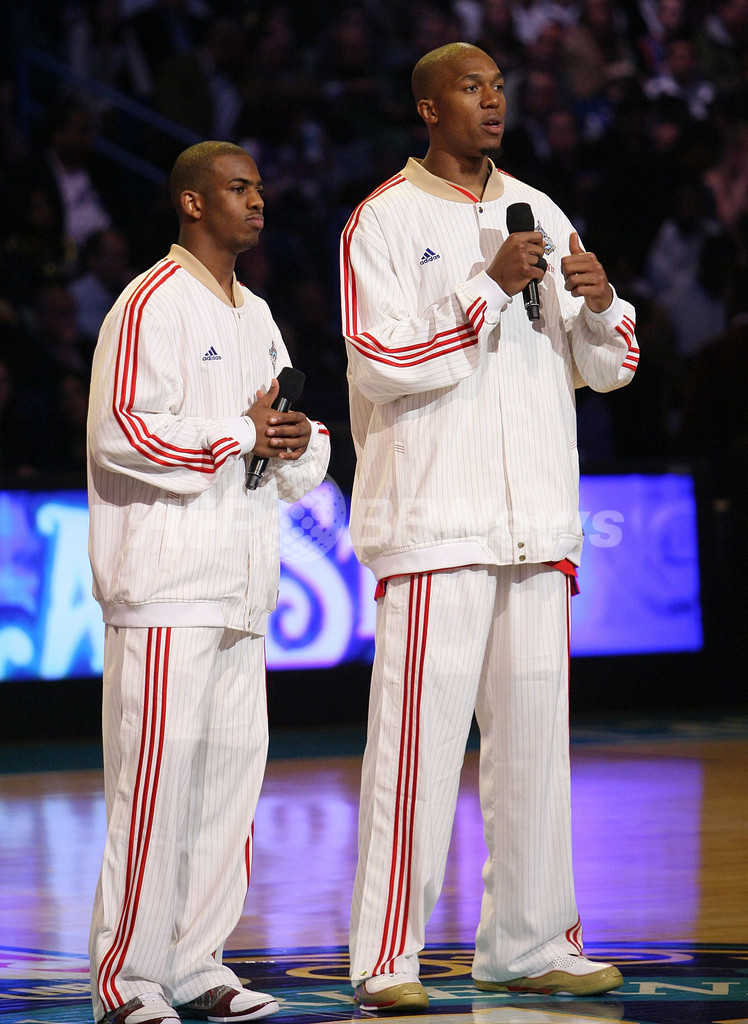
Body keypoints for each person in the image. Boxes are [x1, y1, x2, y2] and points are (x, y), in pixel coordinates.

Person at [340, 42, 638, 1012]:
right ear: (428, 107)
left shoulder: (540, 208)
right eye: (472, 89)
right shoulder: (383, 219)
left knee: (535, 753)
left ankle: (530, 939)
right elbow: (380, 359)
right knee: (415, 754)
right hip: (437, 523)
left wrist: (600, 304)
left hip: (535, 523)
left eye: (500, 89)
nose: (493, 102)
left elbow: (608, 367)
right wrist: (488, 288)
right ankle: (387, 955)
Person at [87, 140, 330, 1024]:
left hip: (241, 585)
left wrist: (299, 442)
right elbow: (121, 431)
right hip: (165, 588)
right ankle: (126, 980)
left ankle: (196, 964)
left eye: (259, 187)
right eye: (237, 188)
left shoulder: (256, 312)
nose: (257, 201)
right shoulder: (148, 302)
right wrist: (239, 432)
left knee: (229, 788)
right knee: (152, 790)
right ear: (192, 202)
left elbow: (285, 441)